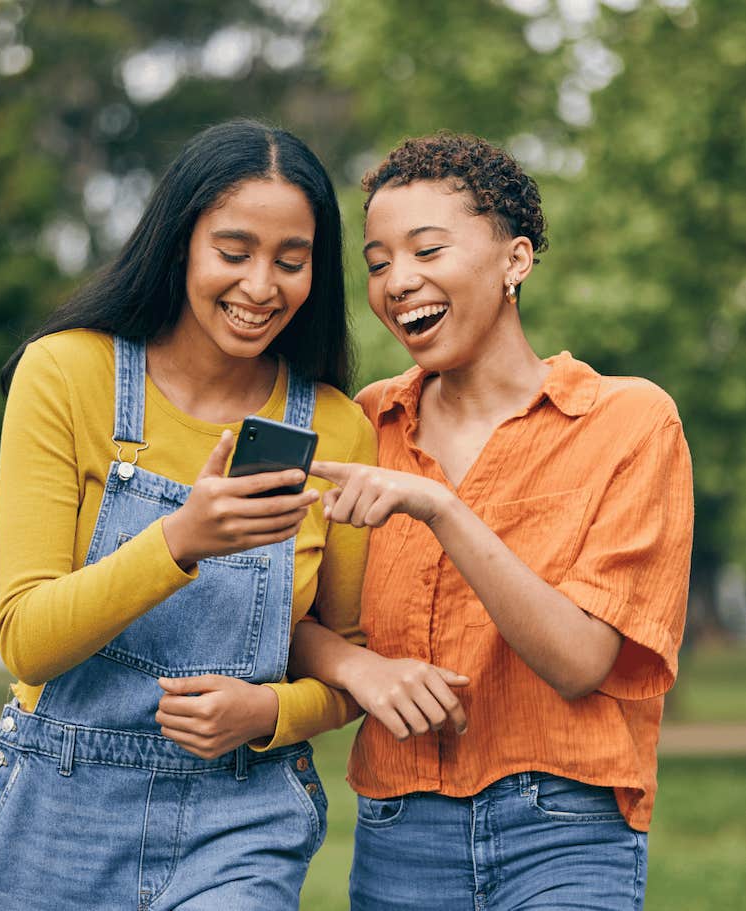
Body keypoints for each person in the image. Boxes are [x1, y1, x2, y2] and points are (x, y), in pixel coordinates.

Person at [0, 119, 382, 911]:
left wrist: (272, 710)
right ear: (179, 242)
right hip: (58, 813)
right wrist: (181, 539)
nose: (261, 286)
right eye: (234, 253)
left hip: (240, 817)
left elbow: (348, 656)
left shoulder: (336, 426)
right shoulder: (66, 373)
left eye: (290, 262)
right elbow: (26, 638)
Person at [289, 131, 693, 910]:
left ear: (516, 260)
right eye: (376, 263)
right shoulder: (360, 422)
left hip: (568, 826)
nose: (398, 282)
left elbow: (581, 661)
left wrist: (441, 508)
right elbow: (282, 610)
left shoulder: (629, 421)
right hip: (398, 829)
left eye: (427, 250)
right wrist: (357, 668)